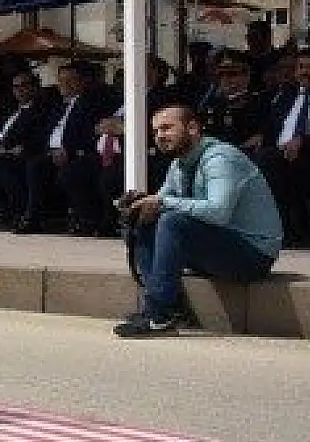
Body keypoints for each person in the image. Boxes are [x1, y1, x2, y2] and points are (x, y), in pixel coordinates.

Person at [115, 105, 282, 339]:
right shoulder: (179, 164)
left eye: (167, 128)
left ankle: (159, 314)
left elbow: (218, 212)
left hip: (253, 255)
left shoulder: (220, 158)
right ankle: (168, 308)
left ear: (192, 128)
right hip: (218, 246)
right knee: (143, 222)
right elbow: (161, 203)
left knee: (172, 222)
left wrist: (162, 202)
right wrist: (140, 207)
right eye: (156, 131)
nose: (160, 136)